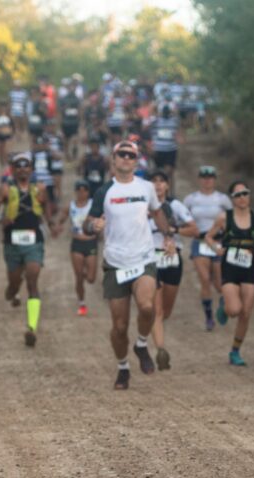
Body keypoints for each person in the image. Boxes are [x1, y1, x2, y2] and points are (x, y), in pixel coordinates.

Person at [84, 140, 174, 390]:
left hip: (143, 258)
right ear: (113, 159)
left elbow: (157, 212)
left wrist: (167, 236)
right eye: (121, 154)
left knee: (147, 307)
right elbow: (87, 222)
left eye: (130, 155)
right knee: (119, 326)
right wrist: (93, 226)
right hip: (115, 263)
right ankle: (123, 367)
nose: (126, 158)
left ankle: (142, 344)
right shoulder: (104, 191)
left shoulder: (146, 187)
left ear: (136, 161)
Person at [0, 152, 56, 347]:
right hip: (12, 242)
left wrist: (51, 223)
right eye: (19, 167)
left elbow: (47, 207)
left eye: (26, 167)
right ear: (13, 170)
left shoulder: (40, 188)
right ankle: (12, 290)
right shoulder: (6, 190)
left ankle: (31, 327)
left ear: (32, 169)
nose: (23, 170)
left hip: (34, 240)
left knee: (33, 278)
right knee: (15, 281)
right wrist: (1, 219)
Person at [204, 181, 254, 366]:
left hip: (249, 267)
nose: (242, 198)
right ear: (232, 199)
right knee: (234, 310)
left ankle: (235, 351)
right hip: (229, 266)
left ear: (249, 195)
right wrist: (216, 247)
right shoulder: (224, 218)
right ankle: (225, 305)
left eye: (245, 193)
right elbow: (208, 236)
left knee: (246, 312)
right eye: (237, 195)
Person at [148, 171, 199, 370]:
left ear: (168, 186)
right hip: (151, 259)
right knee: (156, 310)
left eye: (162, 181)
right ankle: (161, 351)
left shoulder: (176, 206)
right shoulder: (142, 206)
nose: (158, 185)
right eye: (154, 181)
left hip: (172, 259)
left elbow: (194, 230)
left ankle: (154, 332)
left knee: (166, 310)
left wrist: (174, 231)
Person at [183, 166, 232, 331]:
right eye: (204, 177)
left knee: (219, 283)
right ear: (199, 179)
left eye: (210, 177)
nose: (207, 180)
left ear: (215, 179)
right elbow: (182, 218)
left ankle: (224, 303)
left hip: (218, 243)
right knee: (204, 279)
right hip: (200, 242)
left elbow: (233, 219)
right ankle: (209, 317)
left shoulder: (223, 199)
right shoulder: (191, 199)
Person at [55, 180, 98, 316]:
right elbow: (61, 218)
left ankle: (86, 273)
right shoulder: (71, 206)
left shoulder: (93, 205)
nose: (81, 193)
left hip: (91, 242)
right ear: (76, 192)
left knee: (91, 278)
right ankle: (81, 303)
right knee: (78, 276)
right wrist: (59, 226)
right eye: (79, 191)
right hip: (77, 243)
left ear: (88, 192)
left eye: (84, 190)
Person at [150, 105, 183, 193]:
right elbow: (151, 133)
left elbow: (178, 132)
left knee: (169, 172)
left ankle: (170, 193)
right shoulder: (156, 122)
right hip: (159, 150)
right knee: (158, 173)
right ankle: (158, 192)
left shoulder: (174, 122)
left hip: (170, 150)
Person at [59, 83, 82, 161]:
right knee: (66, 140)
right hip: (66, 122)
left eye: (73, 87)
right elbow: (60, 111)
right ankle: (67, 154)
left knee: (75, 137)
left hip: (74, 122)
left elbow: (79, 110)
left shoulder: (77, 99)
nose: (72, 89)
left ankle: (74, 150)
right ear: (68, 88)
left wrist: (80, 120)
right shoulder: (63, 99)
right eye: (70, 87)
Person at [0, 101, 15, 166]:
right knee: (0, 151)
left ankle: (6, 163)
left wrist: (11, 133)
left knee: (6, 150)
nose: (3, 108)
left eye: (4, 107)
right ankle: (1, 163)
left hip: (7, 134)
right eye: (1, 107)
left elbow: (12, 126)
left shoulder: (9, 116)